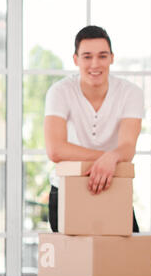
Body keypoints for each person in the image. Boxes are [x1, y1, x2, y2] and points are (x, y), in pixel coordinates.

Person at [44, 25, 144, 233]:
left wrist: (114, 158)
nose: (95, 64)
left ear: (112, 58)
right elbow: (55, 150)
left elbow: (128, 148)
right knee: (73, 263)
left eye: (102, 56)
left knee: (127, 260)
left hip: (113, 188)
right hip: (66, 190)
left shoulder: (130, 93)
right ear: (75, 59)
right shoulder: (60, 92)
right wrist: (108, 157)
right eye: (87, 56)